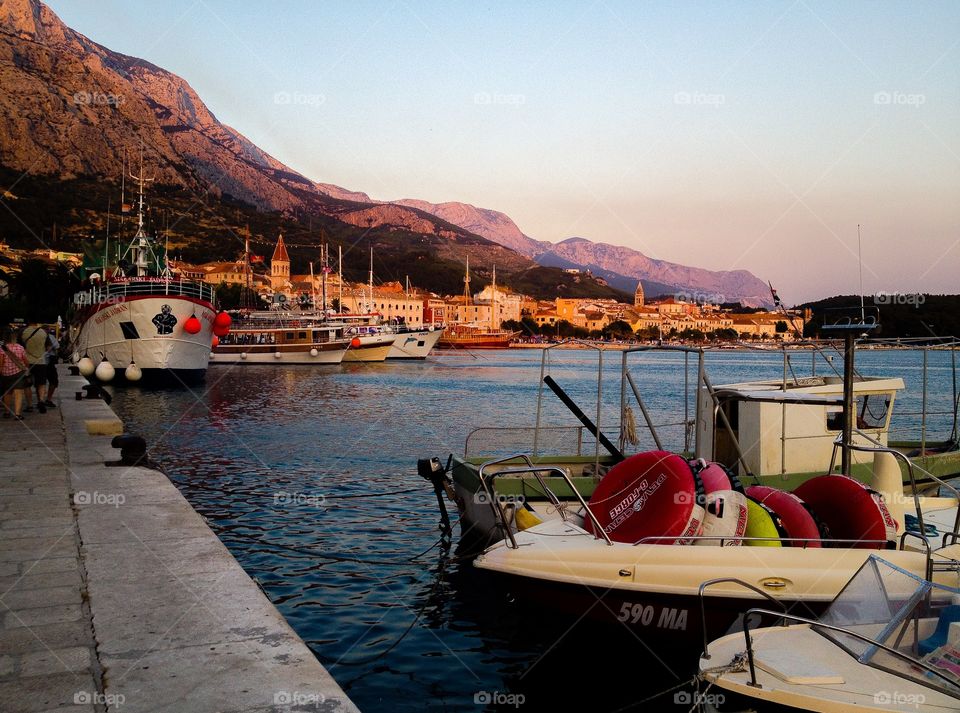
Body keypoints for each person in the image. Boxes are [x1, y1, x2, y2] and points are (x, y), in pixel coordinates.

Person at [1, 326, 29, 420]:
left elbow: (1, 363)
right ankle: (17, 414)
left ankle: (7, 412)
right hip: (18, 373)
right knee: (18, 393)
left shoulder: (2, 349)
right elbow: (25, 362)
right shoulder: (20, 347)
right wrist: (26, 367)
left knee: (7, 393)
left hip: (6, 374)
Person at [21, 323, 49, 414]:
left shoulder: (23, 332)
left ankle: (29, 405)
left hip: (27, 362)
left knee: (27, 384)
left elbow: (20, 347)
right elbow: (48, 347)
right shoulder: (43, 332)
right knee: (41, 383)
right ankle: (41, 400)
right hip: (41, 362)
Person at [44, 327, 59, 406]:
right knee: (53, 381)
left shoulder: (35, 337)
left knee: (40, 383)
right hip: (49, 361)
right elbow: (57, 347)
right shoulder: (51, 337)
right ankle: (48, 399)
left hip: (38, 362)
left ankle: (41, 400)